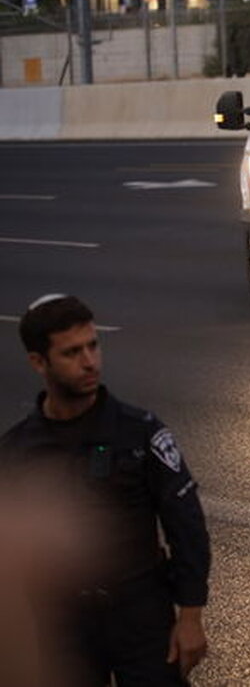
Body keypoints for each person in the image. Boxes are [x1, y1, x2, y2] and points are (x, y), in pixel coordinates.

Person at [0, 294, 210, 686]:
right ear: (38, 362)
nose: (89, 361)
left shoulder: (140, 432)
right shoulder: (16, 452)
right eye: (72, 352)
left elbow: (186, 524)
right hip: (61, 625)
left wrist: (191, 617)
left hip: (140, 616)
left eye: (93, 346)